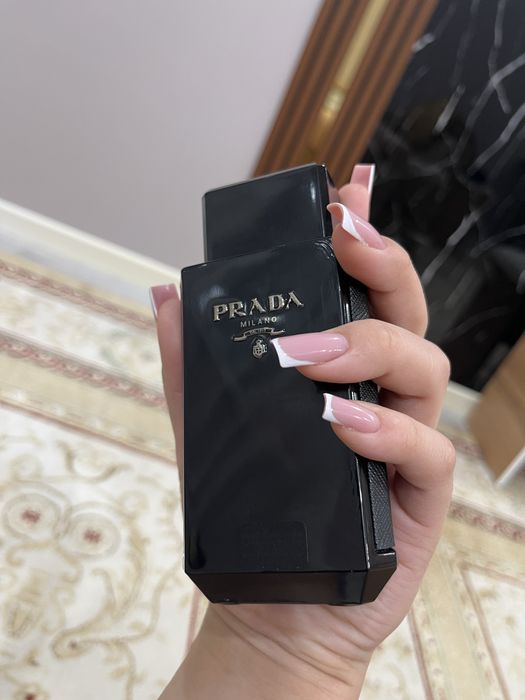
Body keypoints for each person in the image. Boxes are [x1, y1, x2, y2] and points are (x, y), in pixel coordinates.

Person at [151, 164, 455, 699]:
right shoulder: (216, 283)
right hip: (228, 572)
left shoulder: (323, 257)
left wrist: (313, 660)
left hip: (328, 580)